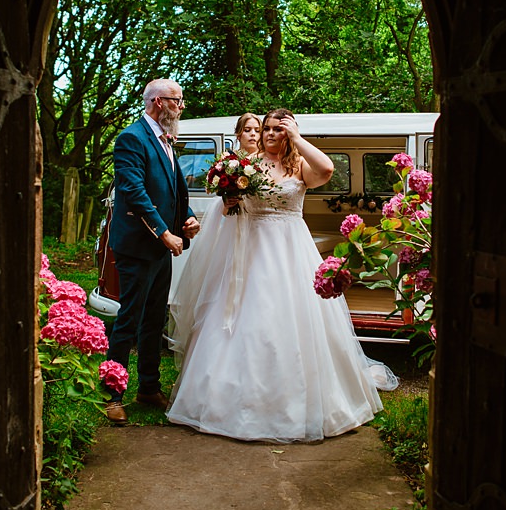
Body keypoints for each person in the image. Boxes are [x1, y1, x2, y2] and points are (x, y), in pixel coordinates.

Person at [166, 108, 398, 443]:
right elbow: (231, 208)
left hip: (292, 251)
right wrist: (230, 200)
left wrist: (297, 137)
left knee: (296, 320)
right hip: (251, 254)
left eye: (278, 129)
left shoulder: (298, 165)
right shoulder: (246, 164)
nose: (270, 134)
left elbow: (327, 169)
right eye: (267, 129)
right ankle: (229, 403)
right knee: (247, 320)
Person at [103, 78, 201, 426]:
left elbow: (173, 191)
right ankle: (111, 394)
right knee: (129, 319)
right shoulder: (132, 138)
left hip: (160, 248)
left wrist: (186, 218)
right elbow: (134, 191)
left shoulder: (165, 139)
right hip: (138, 246)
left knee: (154, 319)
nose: (181, 106)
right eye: (178, 100)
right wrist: (163, 232)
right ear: (158, 102)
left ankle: (148, 387)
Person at [167, 111, 260, 371]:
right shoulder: (229, 163)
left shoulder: (266, 161)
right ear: (238, 134)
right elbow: (221, 206)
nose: (253, 134)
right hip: (233, 228)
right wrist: (227, 200)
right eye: (248, 129)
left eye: (257, 129)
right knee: (226, 284)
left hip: (258, 229)